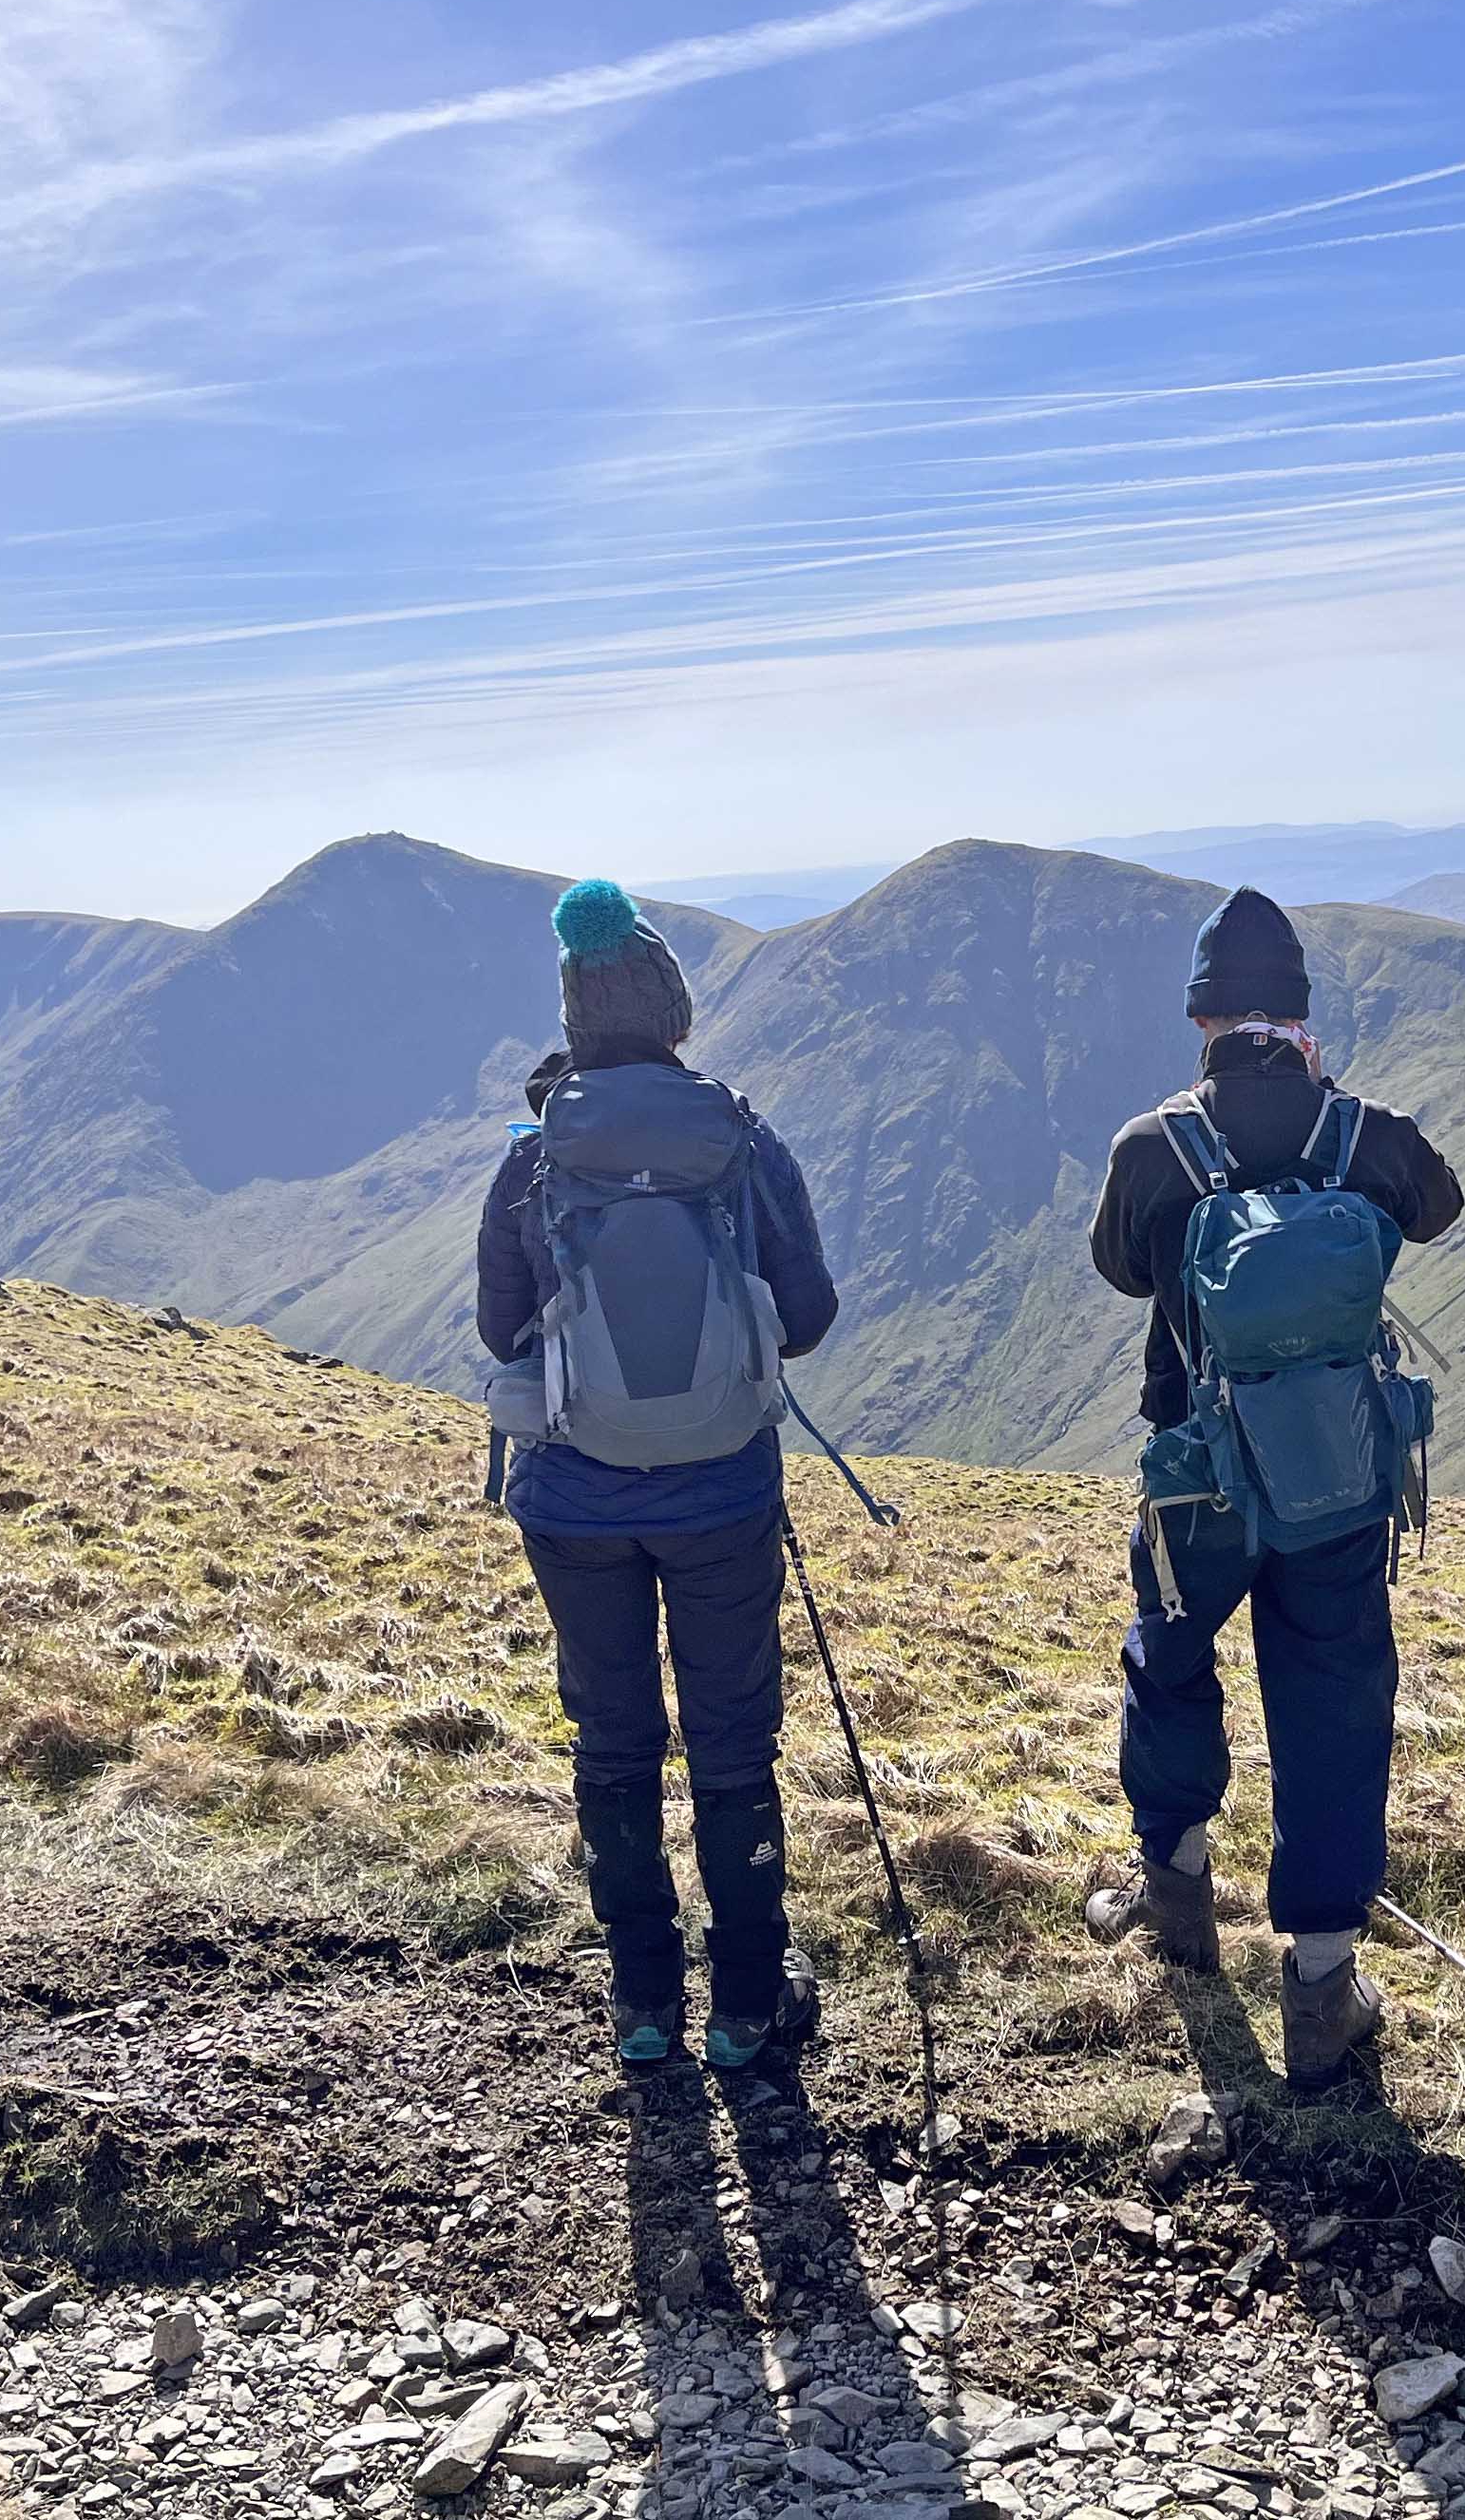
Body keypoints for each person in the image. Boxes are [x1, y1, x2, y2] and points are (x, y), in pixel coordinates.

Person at [1082, 887, 1464, 2085]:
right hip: (1334, 1476)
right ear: (1298, 1015)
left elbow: (1114, 1266)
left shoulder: (1157, 1145)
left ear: (1202, 1018)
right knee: (1333, 1697)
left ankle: (1179, 1901)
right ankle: (1320, 1985)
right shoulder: (1360, 1133)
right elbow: (1438, 1207)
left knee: (1172, 1659)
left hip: (1194, 1472)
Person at [477, 880, 840, 2073]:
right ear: (673, 1009)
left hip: (574, 1502)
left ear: (576, 1014)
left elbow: (497, 1330)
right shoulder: (737, 1136)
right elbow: (807, 1316)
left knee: (613, 1738)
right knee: (734, 1743)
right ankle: (746, 2003)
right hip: (721, 1493)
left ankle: (642, 2003)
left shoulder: (535, 1157)